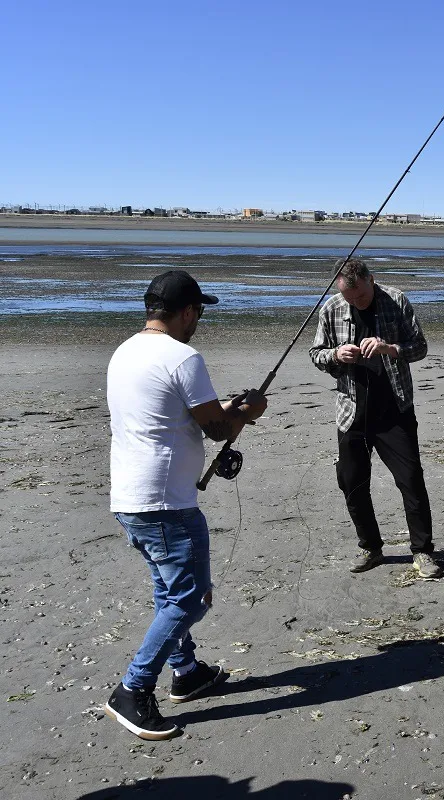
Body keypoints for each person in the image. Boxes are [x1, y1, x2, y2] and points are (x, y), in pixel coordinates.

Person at [105, 270, 268, 740]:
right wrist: (248, 410)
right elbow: (217, 429)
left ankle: (187, 671)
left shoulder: (124, 351)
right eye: (199, 312)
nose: (199, 321)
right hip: (165, 503)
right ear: (187, 311)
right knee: (190, 597)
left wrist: (229, 410)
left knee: (168, 590)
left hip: (132, 497)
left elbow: (187, 418)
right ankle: (133, 690)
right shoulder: (182, 357)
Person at [309, 258, 442, 579]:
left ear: (371, 280)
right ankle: (371, 547)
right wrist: (335, 355)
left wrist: (390, 348)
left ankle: (422, 552)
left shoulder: (396, 300)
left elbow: (420, 347)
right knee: (352, 482)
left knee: (410, 480)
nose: (354, 303)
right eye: (349, 298)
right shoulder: (332, 307)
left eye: (360, 297)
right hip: (351, 411)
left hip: (395, 409)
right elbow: (316, 353)